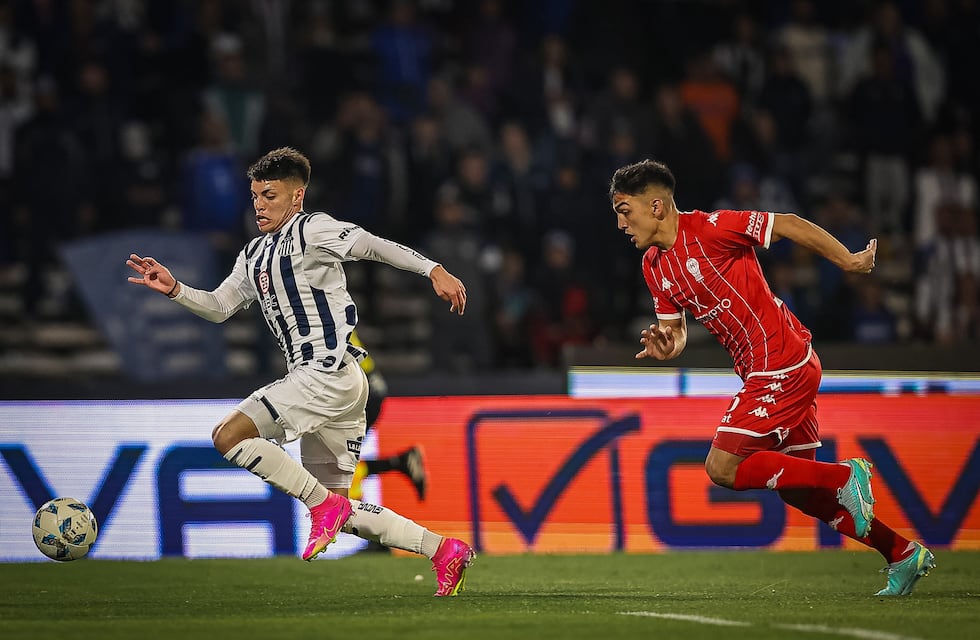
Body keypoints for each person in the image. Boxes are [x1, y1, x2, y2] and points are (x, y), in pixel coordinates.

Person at [126, 147, 474, 596]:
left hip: (324, 373)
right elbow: (218, 307)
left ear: (297, 197)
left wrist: (433, 269)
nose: (260, 205)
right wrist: (175, 289)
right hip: (336, 384)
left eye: (270, 195)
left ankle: (321, 507)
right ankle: (444, 550)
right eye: (254, 196)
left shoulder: (313, 228)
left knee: (227, 437)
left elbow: (371, 245)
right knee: (342, 510)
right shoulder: (252, 255)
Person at [609, 159, 935, 597]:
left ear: (657, 207)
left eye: (625, 210)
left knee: (723, 467)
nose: (620, 223)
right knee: (799, 490)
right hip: (766, 370)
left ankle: (845, 478)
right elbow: (676, 331)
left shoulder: (712, 228)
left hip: (781, 364)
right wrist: (668, 345)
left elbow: (788, 223)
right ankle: (899, 552)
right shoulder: (654, 266)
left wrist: (849, 261)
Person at [348, 329, 428, 504]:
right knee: (336, 464)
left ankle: (354, 510)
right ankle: (401, 462)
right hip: (366, 388)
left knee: (336, 466)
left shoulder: (316, 314)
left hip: (361, 393)